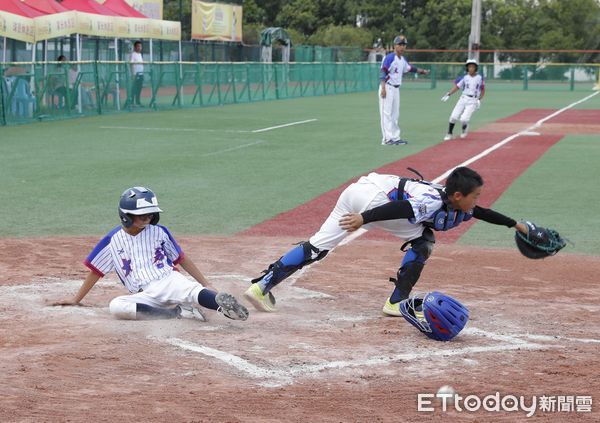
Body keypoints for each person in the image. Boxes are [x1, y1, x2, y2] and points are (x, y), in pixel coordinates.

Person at [244, 167, 528, 316]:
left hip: (357, 190)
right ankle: (396, 302)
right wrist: (364, 219)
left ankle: (261, 287)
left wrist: (515, 224)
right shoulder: (432, 201)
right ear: (457, 196)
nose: (477, 201)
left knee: (318, 245)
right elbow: (400, 209)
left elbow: (481, 212)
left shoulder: (452, 198)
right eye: (475, 195)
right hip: (378, 202)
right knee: (423, 241)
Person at [53, 187, 249, 322]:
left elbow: (181, 258)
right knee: (117, 306)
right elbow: (95, 271)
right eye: (142, 215)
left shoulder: (159, 232)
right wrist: (76, 299)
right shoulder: (112, 240)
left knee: (193, 291)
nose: (148, 218)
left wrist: (206, 283)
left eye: (150, 214)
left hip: (168, 279)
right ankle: (178, 313)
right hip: (145, 294)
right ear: (126, 216)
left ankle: (224, 307)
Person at [379, 35, 430, 146]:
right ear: (395, 46)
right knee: (386, 114)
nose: (402, 47)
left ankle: (395, 137)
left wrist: (422, 71)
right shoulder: (390, 57)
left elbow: (410, 68)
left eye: (404, 45)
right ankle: (387, 139)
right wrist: (383, 88)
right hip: (387, 87)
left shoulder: (402, 60)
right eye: (400, 44)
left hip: (396, 89)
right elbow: (383, 72)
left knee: (395, 114)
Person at [442, 59, 485, 140]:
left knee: (464, 119)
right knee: (453, 117)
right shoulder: (465, 77)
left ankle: (464, 128)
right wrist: (449, 94)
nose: (471, 68)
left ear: (475, 68)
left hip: (473, 100)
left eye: (472, 67)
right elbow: (457, 86)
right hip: (463, 98)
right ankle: (449, 133)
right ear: (467, 68)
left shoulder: (480, 78)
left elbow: (482, 89)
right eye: (469, 67)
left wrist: (479, 99)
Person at [129, 41, 144, 107]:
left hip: (141, 74)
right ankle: (131, 102)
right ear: (135, 47)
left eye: (140, 46)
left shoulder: (140, 54)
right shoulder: (133, 54)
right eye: (138, 46)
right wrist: (133, 74)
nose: (139, 48)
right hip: (136, 74)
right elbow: (131, 64)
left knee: (139, 89)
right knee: (134, 89)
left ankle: (138, 102)